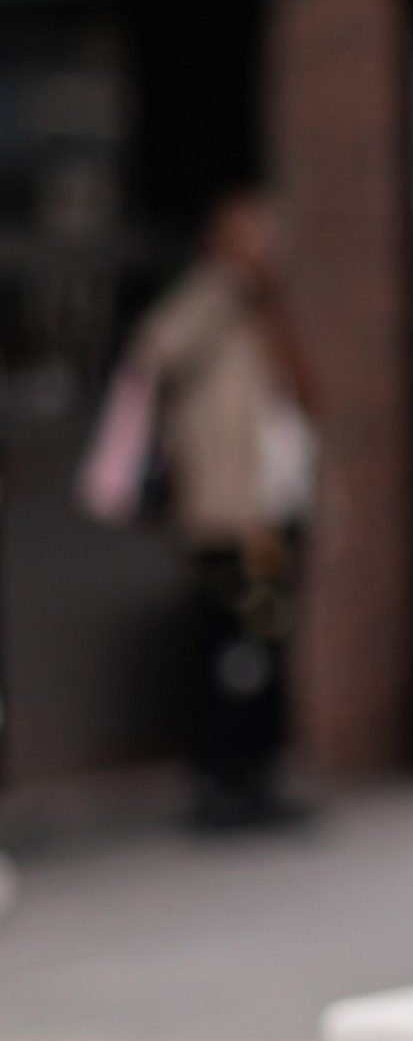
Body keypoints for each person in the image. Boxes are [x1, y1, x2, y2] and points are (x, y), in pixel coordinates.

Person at [79, 189, 317, 828]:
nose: (266, 251)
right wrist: (225, 288)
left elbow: (303, 400)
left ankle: (262, 773)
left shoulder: (271, 312)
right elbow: (154, 349)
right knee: (230, 645)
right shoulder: (206, 299)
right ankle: (221, 780)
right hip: (227, 516)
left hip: (277, 511)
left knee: (265, 642)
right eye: (251, 237)